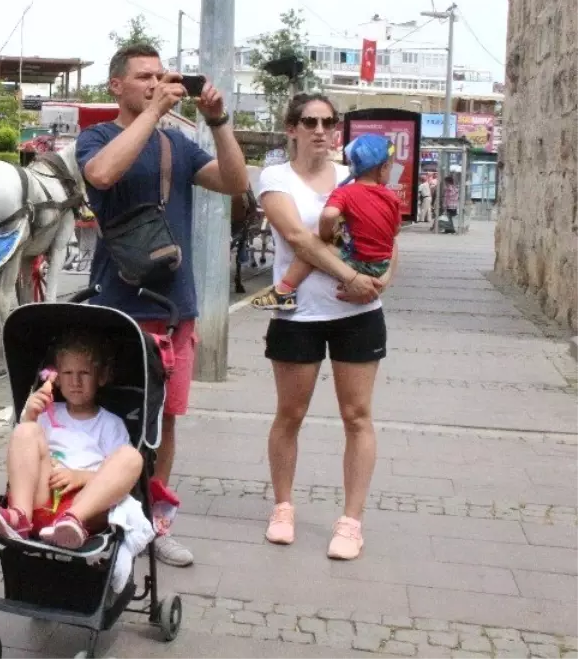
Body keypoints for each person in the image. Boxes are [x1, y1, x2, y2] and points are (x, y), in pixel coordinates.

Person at [76, 44, 249, 566]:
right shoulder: (98, 136)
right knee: (109, 418)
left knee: (164, 423)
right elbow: (102, 175)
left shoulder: (179, 144)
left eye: (161, 77)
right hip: (119, 307)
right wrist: (153, 114)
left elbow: (236, 184)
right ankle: (96, 517)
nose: (155, 84)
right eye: (144, 77)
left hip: (175, 308)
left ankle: (153, 524)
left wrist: (218, 122)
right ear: (116, 86)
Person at [256, 94, 395, 561]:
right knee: (289, 415)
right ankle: (283, 507)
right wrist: (352, 277)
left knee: (357, 417)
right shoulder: (275, 177)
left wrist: (379, 284)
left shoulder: (355, 172)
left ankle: (351, 522)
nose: (320, 130)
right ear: (291, 128)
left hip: (358, 315)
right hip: (299, 315)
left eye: (328, 122)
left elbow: (388, 236)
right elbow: (298, 237)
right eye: (309, 121)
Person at [0, 330, 143, 549]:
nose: (75, 381)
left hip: (85, 506)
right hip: (42, 497)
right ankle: (20, 517)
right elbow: (24, 457)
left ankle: (71, 520)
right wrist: (29, 417)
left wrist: (81, 477)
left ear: (101, 377)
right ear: (56, 378)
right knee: (25, 432)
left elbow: (118, 479)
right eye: (67, 373)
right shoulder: (47, 413)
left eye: (84, 373)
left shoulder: (110, 424)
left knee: (131, 457)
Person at [251, 134, 401, 312]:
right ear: (384, 168)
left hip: (358, 261)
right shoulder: (391, 197)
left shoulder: (345, 191)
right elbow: (395, 232)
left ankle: (284, 291)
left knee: (312, 247)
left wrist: (325, 234)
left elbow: (329, 215)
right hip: (381, 266)